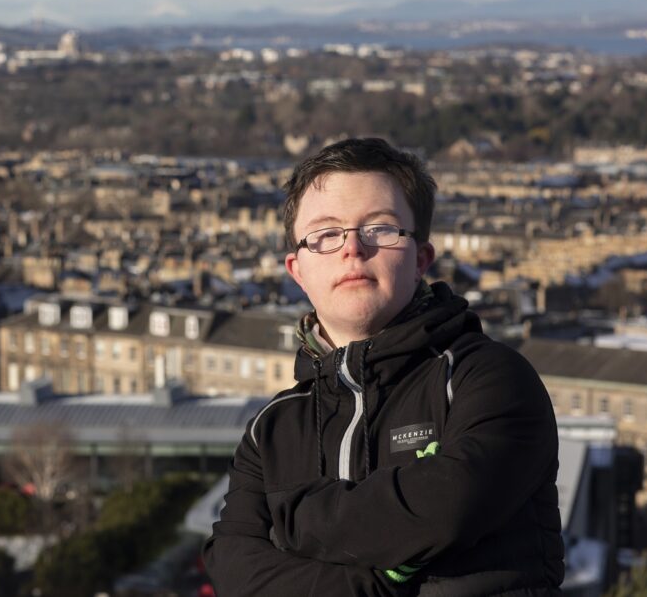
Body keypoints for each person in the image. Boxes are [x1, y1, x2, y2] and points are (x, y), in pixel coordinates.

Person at [203, 138, 563, 596]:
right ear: (297, 270)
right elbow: (234, 568)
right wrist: (374, 585)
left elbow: (449, 509)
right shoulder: (271, 430)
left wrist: (293, 519)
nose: (353, 249)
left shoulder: (486, 379)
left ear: (420, 259)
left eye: (379, 228)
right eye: (326, 234)